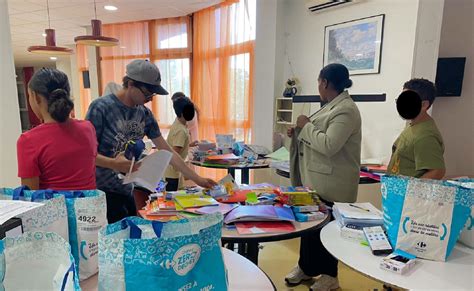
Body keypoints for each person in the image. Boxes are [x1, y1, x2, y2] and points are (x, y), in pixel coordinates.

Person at [86, 59, 216, 223]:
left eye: (153, 94)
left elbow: (168, 152)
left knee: (132, 241)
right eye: (148, 93)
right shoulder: (101, 108)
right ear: (131, 84)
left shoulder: (145, 115)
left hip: (127, 191)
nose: (151, 99)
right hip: (101, 194)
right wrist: (114, 164)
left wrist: (198, 179)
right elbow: (85, 155)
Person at [285, 63, 361, 291]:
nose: (318, 86)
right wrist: (297, 131)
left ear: (325, 82)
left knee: (327, 233)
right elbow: (315, 133)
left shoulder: (346, 109)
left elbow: (329, 144)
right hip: (314, 182)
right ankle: (306, 268)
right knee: (309, 229)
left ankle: (330, 277)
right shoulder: (330, 106)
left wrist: (305, 127)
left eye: (319, 82)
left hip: (333, 184)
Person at [17, 68, 97, 190]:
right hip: (91, 207)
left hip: (53, 209)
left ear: (35, 97)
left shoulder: (28, 140)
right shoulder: (88, 128)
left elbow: (31, 197)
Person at [387, 78, 445, 179]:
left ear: (424, 105)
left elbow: (437, 171)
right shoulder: (415, 125)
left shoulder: (425, 135)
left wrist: (411, 193)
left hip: (406, 192)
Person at [164, 95, 196, 191]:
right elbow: (174, 154)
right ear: (182, 113)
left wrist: (189, 145)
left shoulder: (178, 123)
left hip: (173, 171)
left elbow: (176, 145)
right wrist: (188, 171)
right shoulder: (181, 130)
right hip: (173, 173)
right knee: (173, 201)